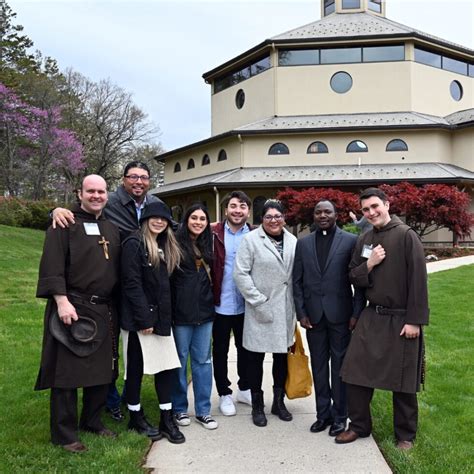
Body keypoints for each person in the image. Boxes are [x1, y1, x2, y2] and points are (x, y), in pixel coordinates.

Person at [51, 161, 164, 421]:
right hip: (94, 293)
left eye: (144, 177)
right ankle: (111, 403)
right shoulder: (109, 201)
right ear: (123, 179)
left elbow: (168, 227)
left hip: (128, 290)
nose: (138, 181)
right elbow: (78, 213)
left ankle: (112, 404)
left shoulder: (154, 203)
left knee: (114, 355)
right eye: (133, 176)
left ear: (149, 181)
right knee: (89, 356)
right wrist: (55, 210)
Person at [336, 188, 429, 451]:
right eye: (365, 209)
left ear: (387, 204)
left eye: (375, 206)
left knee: (403, 380)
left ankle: (405, 436)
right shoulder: (365, 238)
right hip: (372, 315)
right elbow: (353, 276)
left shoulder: (406, 236)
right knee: (355, 373)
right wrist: (370, 264)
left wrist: (415, 321)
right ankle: (359, 426)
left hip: (402, 319)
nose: (371, 213)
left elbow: (419, 283)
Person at [35, 175, 120, 453]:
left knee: (100, 372)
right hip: (73, 307)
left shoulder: (110, 226)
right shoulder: (64, 223)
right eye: (91, 191)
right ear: (79, 193)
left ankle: (92, 421)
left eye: (102, 191)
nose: (97, 196)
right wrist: (61, 301)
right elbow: (52, 264)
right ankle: (64, 433)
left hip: (103, 308)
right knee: (67, 373)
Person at [293, 200, 366, 437]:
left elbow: (357, 280)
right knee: (319, 367)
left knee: (340, 368)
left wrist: (356, 312)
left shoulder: (350, 241)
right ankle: (322, 415)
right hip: (313, 317)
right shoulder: (303, 244)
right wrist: (301, 313)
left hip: (341, 316)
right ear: (313, 215)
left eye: (328, 211)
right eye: (318, 212)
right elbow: (297, 282)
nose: (323, 215)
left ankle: (339, 416)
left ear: (336, 215)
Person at [120, 201, 185, 444]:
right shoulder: (134, 243)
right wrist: (143, 318)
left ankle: (166, 419)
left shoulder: (164, 245)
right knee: (135, 369)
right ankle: (135, 416)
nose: (159, 221)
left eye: (164, 219)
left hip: (161, 319)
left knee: (166, 368)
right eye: (154, 217)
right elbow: (131, 284)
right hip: (141, 320)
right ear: (145, 219)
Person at [233, 199, 297, 427]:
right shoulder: (250, 240)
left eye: (277, 216)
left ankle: (278, 403)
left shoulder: (292, 241)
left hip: (285, 310)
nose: (273, 221)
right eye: (268, 217)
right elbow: (240, 274)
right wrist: (258, 301)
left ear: (284, 218)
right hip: (260, 308)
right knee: (255, 358)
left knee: (281, 358)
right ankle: (257, 405)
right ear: (262, 219)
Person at [171, 203, 218, 430]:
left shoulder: (209, 243)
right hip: (181, 314)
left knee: (202, 362)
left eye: (202, 219)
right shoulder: (174, 243)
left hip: (205, 313)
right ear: (186, 219)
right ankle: (179, 409)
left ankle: (203, 411)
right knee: (180, 361)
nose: (198, 222)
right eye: (194, 218)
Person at [211, 191, 254, 416]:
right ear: (226, 209)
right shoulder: (213, 233)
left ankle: (244, 388)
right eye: (234, 206)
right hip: (221, 303)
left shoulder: (257, 234)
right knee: (220, 350)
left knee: (246, 349)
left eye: (243, 206)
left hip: (247, 305)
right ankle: (224, 393)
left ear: (248, 211)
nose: (238, 210)